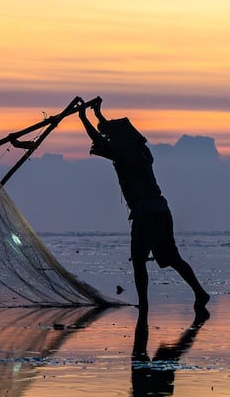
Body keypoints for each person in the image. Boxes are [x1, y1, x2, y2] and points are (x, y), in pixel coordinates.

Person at [78, 98, 207, 309]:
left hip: (146, 214)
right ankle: (199, 293)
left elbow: (99, 138)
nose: (110, 137)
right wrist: (98, 113)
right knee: (173, 258)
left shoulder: (125, 152)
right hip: (160, 211)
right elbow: (109, 134)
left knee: (139, 261)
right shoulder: (140, 151)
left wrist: (84, 118)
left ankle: (144, 304)